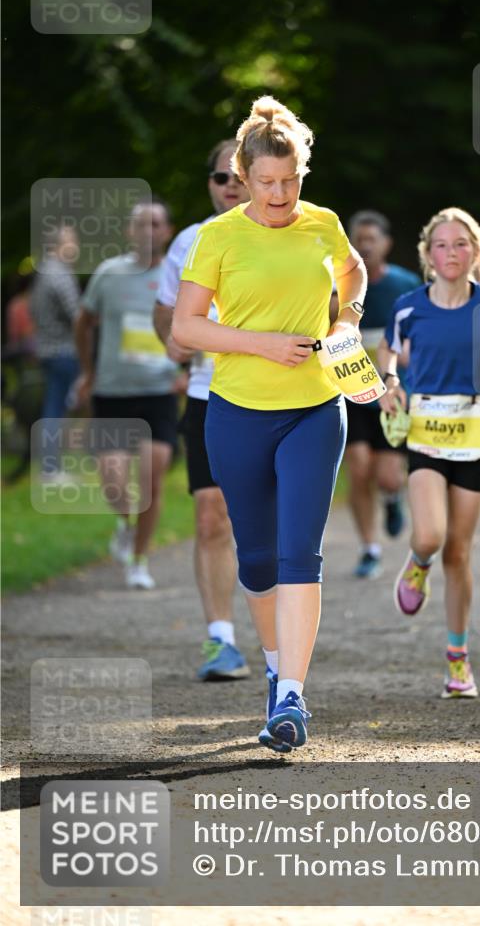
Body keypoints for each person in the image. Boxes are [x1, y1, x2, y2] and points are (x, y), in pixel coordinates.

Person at [172, 95, 367, 752]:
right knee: (256, 560)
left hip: (315, 407)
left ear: (302, 173)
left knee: (299, 554)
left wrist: (346, 320)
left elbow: (353, 273)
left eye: (290, 181)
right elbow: (186, 327)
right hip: (236, 414)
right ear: (243, 176)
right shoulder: (219, 237)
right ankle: (274, 666)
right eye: (265, 182)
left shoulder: (323, 224)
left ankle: (291, 695)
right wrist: (262, 344)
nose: (279, 194)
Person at [377, 207, 480, 699]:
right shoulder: (408, 307)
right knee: (431, 535)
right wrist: (390, 385)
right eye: (441, 244)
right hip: (425, 428)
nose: (451, 252)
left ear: (475, 251)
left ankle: (457, 659)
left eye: (461, 244)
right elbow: (388, 354)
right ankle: (418, 561)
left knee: (460, 551)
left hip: (475, 429)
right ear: (427, 254)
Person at [153, 139, 251, 681]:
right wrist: (172, 341)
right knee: (212, 516)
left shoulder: (294, 232)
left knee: (265, 524)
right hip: (208, 395)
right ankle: (221, 640)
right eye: (220, 177)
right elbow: (164, 311)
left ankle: (283, 647)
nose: (230, 185)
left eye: (238, 174)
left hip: (276, 398)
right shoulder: (189, 241)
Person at [75, 199, 180, 589]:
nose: (147, 231)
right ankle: (124, 523)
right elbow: (83, 322)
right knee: (114, 481)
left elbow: (201, 325)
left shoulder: (181, 276)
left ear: (167, 231)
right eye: (140, 224)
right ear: (129, 231)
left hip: (159, 392)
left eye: (155, 224)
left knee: (151, 481)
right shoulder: (109, 274)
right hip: (113, 392)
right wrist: (88, 372)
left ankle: (138, 561)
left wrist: (189, 371)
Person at [337, 210, 421, 578]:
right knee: (358, 469)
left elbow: (421, 331)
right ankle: (369, 548)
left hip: (393, 390)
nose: (365, 245)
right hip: (350, 391)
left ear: (386, 244)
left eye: (372, 239)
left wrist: (405, 352)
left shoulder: (405, 284)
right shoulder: (338, 283)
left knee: (388, 475)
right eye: (359, 239)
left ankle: (391, 497)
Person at [30, 225, 81, 481]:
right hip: (62, 350)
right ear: (57, 245)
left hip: (47, 349)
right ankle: (51, 469)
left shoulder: (43, 272)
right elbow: (77, 315)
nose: (76, 246)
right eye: (72, 241)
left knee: (54, 408)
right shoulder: (59, 273)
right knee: (55, 411)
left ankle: (51, 467)